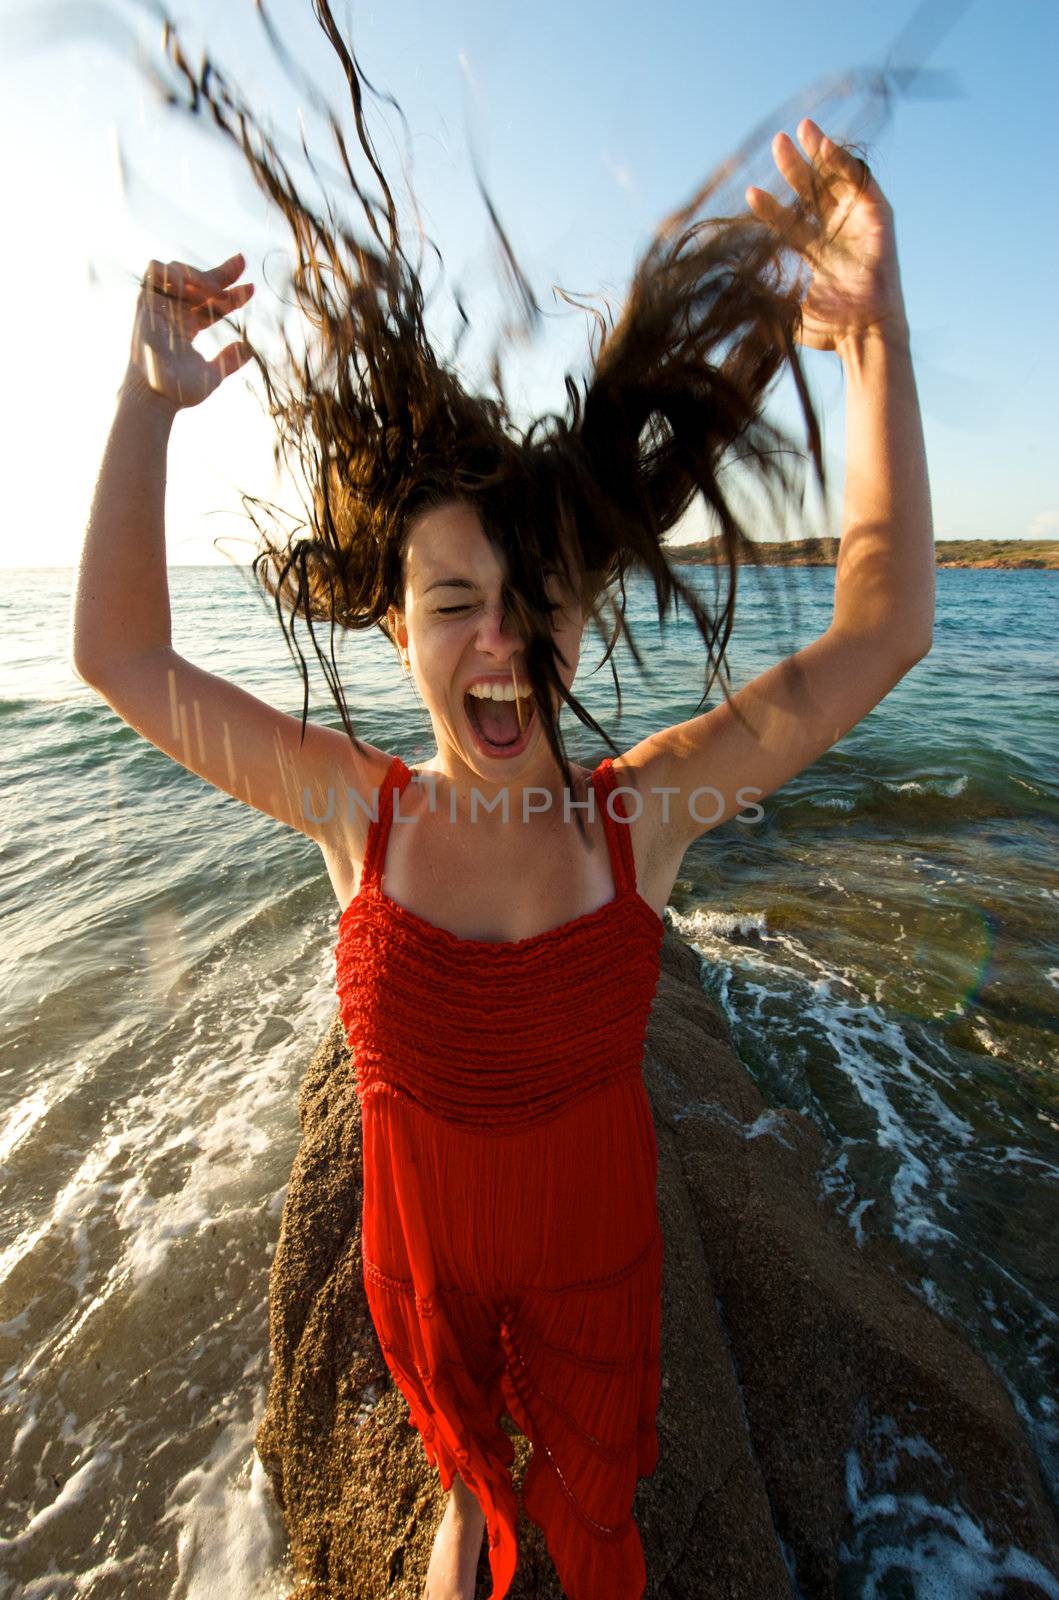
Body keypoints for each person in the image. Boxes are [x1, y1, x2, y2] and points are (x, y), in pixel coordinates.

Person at [71, 11, 934, 1589]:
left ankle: (555, 1514)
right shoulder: (360, 814)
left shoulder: (642, 819)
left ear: (582, 614)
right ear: (395, 626)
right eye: (453, 598)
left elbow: (878, 631)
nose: (499, 637)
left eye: (535, 593)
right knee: (462, 1453)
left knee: (598, 1521)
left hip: (603, 1267)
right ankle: (469, 1490)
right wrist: (144, 404)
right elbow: (120, 651)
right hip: (422, 1265)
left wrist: (876, 343)